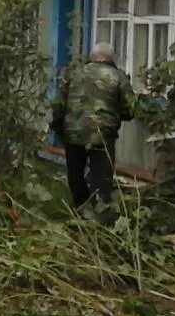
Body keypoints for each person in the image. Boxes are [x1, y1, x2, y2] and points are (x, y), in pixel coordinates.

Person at [51, 42, 135, 207]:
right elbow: (129, 108)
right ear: (112, 58)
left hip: (73, 132)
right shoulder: (118, 76)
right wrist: (116, 115)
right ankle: (99, 212)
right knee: (102, 175)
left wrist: (61, 129)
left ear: (92, 57)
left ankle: (80, 207)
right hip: (101, 134)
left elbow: (59, 105)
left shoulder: (73, 74)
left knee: (75, 173)